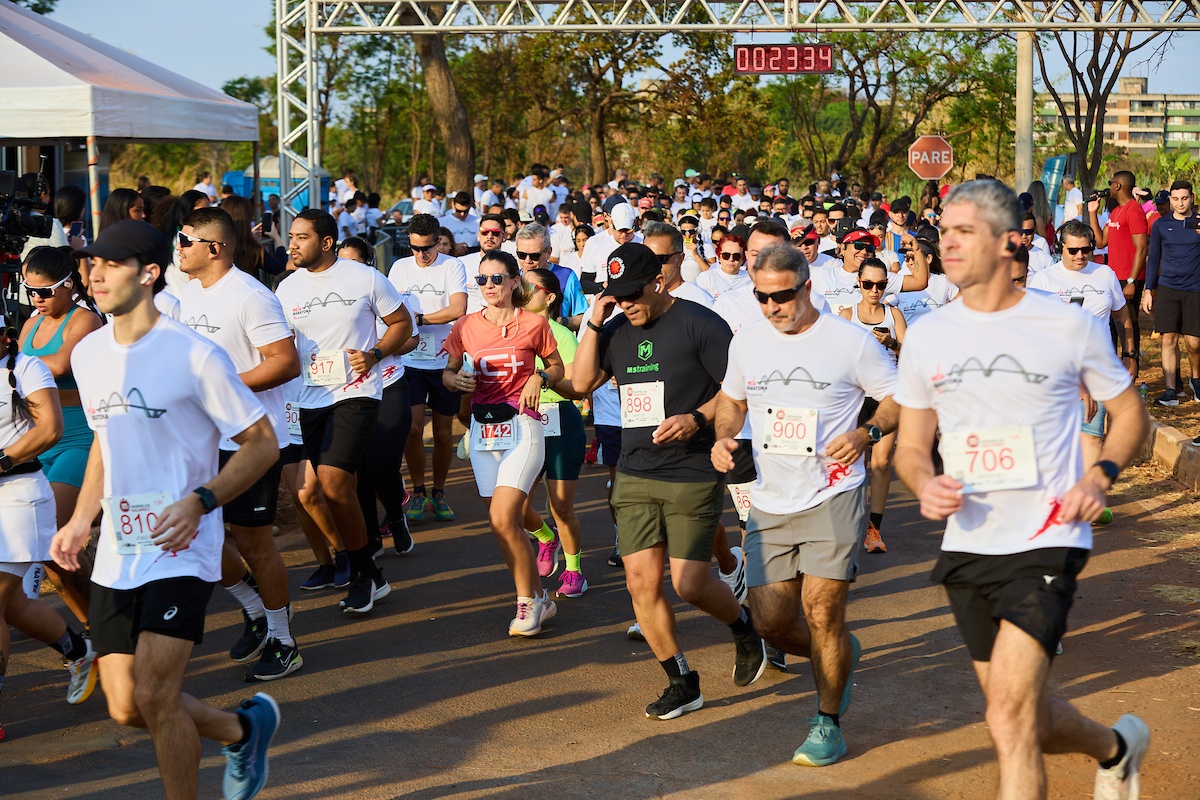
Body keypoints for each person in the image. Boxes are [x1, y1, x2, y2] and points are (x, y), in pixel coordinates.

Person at [893, 180, 1152, 800]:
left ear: (1011, 242)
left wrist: (1100, 474)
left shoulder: (1065, 325)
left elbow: (1130, 412)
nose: (946, 244)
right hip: (970, 543)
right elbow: (908, 446)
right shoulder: (929, 334)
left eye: (963, 233)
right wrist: (924, 483)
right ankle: (1115, 748)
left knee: (1006, 720)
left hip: (1048, 535)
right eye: (944, 232)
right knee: (1023, 715)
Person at [53, 219, 282, 800]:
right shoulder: (89, 354)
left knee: (157, 695)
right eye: (91, 264)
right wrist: (82, 519)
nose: (96, 274)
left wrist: (202, 500)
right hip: (120, 548)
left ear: (150, 273)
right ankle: (241, 729)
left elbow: (261, 443)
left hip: (184, 543)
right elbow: (106, 442)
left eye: (112, 263)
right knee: (128, 706)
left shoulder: (195, 355)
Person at [713, 243, 899, 766]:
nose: (772, 306)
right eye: (762, 297)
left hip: (834, 492)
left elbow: (899, 395)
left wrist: (867, 432)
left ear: (807, 287)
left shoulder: (850, 341)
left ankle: (827, 721)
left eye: (782, 296)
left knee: (821, 612)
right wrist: (725, 436)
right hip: (771, 499)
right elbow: (731, 398)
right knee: (770, 620)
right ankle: (840, 652)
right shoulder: (748, 340)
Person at [573, 242, 766, 721]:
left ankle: (744, 628)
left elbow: (737, 390)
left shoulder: (701, 323)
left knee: (689, 584)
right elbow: (580, 384)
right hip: (636, 472)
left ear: (657, 281)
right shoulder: (614, 329)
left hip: (693, 470)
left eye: (632, 294)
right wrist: (596, 321)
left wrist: (696, 420)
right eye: (616, 297)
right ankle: (682, 682)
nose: (626, 304)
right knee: (641, 585)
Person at [176, 207, 305, 681]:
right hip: (200, 439)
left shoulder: (251, 295)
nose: (179, 247)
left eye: (185, 240)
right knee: (198, 536)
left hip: (249, 438)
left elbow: (285, 362)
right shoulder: (187, 295)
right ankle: (253, 605)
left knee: (254, 541)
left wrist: (223, 386)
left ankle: (284, 641)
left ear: (214, 248)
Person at [275, 210, 412, 614]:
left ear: (328, 242)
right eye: (291, 237)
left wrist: (374, 354)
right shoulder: (286, 289)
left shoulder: (365, 278)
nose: (292, 244)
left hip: (358, 392)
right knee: (330, 488)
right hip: (309, 397)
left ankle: (358, 572)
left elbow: (401, 322)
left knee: (333, 483)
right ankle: (370, 571)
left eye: (302, 237)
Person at [442, 251, 564, 634]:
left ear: (515, 282)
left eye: (497, 279)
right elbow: (447, 372)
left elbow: (558, 367)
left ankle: (526, 604)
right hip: (482, 429)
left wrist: (540, 377)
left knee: (502, 517)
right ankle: (539, 597)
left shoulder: (533, 323)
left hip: (524, 426)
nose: (489, 286)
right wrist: (455, 381)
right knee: (502, 525)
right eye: (482, 280)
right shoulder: (464, 326)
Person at [0, 322, 99, 743]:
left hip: (18, 498)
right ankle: (79, 652)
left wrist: (1, 460)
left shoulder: (26, 369)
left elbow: (51, 429)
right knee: (16, 608)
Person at [1029, 220, 1138, 494]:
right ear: (1060, 248)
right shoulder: (1044, 280)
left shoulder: (1105, 274)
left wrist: (1131, 355)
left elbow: (1123, 317)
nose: (1080, 256)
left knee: (1091, 435)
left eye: (1086, 250)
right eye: (1073, 250)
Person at [336, 237, 417, 557]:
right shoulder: (332, 300)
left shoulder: (383, 290)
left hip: (388, 384)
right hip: (348, 390)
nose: (347, 269)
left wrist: (376, 353)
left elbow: (411, 339)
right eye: (342, 262)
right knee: (357, 469)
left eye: (354, 262)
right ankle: (370, 537)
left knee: (382, 466)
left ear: (368, 264)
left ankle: (396, 518)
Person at [388, 213, 467, 523]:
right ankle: (418, 491)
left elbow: (457, 309)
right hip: (409, 360)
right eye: (415, 248)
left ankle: (440, 491)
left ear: (438, 241)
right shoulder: (399, 268)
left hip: (444, 359)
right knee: (413, 429)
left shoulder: (452, 266)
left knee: (445, 434)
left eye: (427, 248)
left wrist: (417, 320)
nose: (421, 255)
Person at [518, 268, 589, 597]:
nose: (522, 289)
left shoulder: (562, 334)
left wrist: (542, 377)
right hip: (522, 421)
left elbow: (576, 388)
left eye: (529, 286)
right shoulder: (512, 332)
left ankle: (574, 571)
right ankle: (547, 538)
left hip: (560, 418)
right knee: (515, 506)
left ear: (549, 297)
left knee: (561, 506)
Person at [838, 257, 905, 554]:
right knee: (853, 463)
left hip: (886, 399)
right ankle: (848, 524)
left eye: (880, 285)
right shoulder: (846, 315)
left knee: (880, 463)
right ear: (859, 283)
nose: (874, 290)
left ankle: (873, 530)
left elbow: (911, 355)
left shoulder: (894, 315)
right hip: (854, 398)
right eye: (868, 284)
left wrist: (891, 343)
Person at [1142, 180, 1200, 406]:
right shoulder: (1160, 225)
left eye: (1184, 198)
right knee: (1168, 338)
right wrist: (1149, 290)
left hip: (1195, 288)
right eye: (1175, 199)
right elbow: (1153, 258)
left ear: (1192, 198)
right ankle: (1170, 390)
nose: (1179, 203)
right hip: (1168, 288)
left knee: (1194, 343)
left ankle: (1196, 379)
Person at [1089, 171, 1148, 351]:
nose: (1109, 186)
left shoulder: (1134, 210)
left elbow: (1142, 248)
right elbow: (1100, 241)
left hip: (1128, 277)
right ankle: (1115, 366)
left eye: (1110, 182)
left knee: (1128, 323)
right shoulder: (1115, 212)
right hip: (1113, 276)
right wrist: (1093, 213)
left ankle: (1131, 364)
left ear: (1118, 186)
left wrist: (1131, 281)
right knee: (1113, 323)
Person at [696, 234, 750, 300]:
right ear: (719, 256)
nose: (731, 259)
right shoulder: (706, 278)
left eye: (736, 256)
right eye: (726, 255)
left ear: (742, 259)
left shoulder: (751, 279)